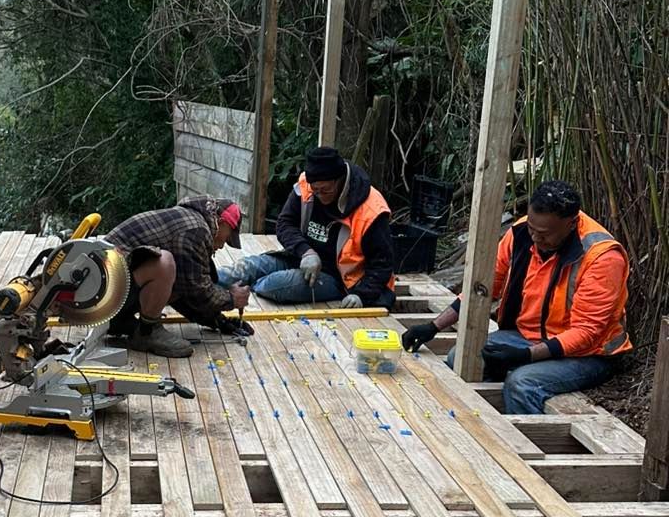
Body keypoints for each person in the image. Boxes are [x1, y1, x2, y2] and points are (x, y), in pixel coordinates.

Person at [402, 180, 631, 414]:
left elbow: (586, 333)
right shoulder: (521, 232)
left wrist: (525, 356)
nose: (535, 238)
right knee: (460, 357)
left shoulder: (602, 257)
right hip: (528, 337)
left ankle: (524, 433)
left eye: (544, 234)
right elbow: (484, 286)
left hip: (588, 354)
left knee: (522, 384)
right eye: (532, 229)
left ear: (570, 224)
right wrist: (434, 326)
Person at [218, 146, 396, 309]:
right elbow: (284, 223)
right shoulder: (307, 185)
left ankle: (244, 289)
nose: (319, 195)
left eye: (325, 190)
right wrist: (306, 252)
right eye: (315, 190)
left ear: (340, 180)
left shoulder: (371, 209)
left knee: (274, 285)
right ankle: (205, 284)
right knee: (247, 267)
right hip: (300, 258)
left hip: (340, 278)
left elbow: (383, 263)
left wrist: (361, 294)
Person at [104, 197, 250, 357]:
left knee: (179, 275)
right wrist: (231, 299)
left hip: (110, 294)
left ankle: (121, 322)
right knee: (164, 262)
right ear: (221, 222)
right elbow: (198, 292)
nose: (222, 246)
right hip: (102, 296)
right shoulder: (195, 230)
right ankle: (146, 333)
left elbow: (185, 291)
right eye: (227, 239)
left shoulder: (193, 222)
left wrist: (218, 321)